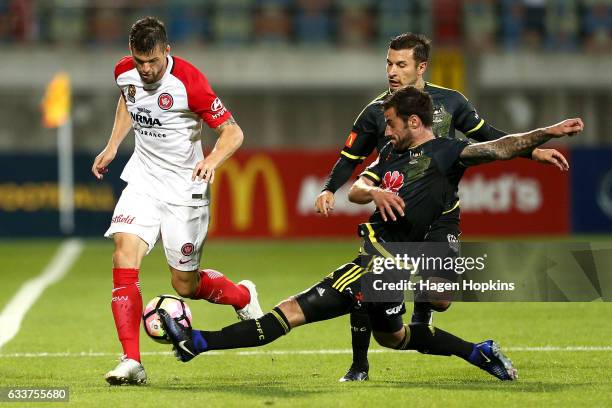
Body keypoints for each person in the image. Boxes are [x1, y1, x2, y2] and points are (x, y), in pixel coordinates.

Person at [158, 86, 584, 382]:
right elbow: (359, 187)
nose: (388, 130)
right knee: (394, 338)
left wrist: (546, 134)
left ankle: (198, 342)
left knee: (288, 312)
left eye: (394, 123)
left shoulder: (448, 153)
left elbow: (501, 145)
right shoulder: (392, 153)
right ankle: (477, 351)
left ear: (414, 121)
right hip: (387, 268)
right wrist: (375, 189)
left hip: (381, 265)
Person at [314, 32, 570, 382]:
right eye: (388, 63)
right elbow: (350, 158)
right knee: (369, 286)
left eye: (400, 64)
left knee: (440, 298)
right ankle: (360, 366)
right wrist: (330, 189)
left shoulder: (450, 102)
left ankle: (424, 309)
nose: (392, 70)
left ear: (421, 67)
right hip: (398, 212)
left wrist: (533, 150)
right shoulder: (375, 111)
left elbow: (489, 137)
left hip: (442, 214)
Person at [91, 17, 263, 386]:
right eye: (140, 62)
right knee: (123, 254)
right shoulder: (125, 72)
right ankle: (131, 361)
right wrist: (112, 146)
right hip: (143, 181)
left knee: (185, 284)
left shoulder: (189, 82)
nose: (146, 70)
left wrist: (211, 160)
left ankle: (242, 294)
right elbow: (128, 101)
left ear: (167, 51)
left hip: (185, 190)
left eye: (152, 61)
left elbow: (233, 131)